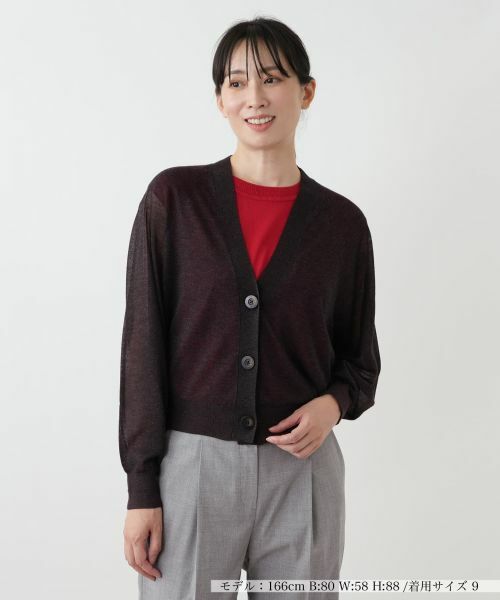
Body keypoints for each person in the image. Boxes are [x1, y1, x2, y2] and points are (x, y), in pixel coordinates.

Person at [119, 16, 381, 600]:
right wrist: (142, 487)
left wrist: (332, 406)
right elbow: (142, 347)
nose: (254, 98)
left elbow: (361, 363)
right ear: (220, 100)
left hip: (303, 473)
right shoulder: (175, 200)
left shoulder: (342, 225)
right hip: (192, 470)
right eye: (236, 83)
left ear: (306, 92)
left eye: (272, 79)